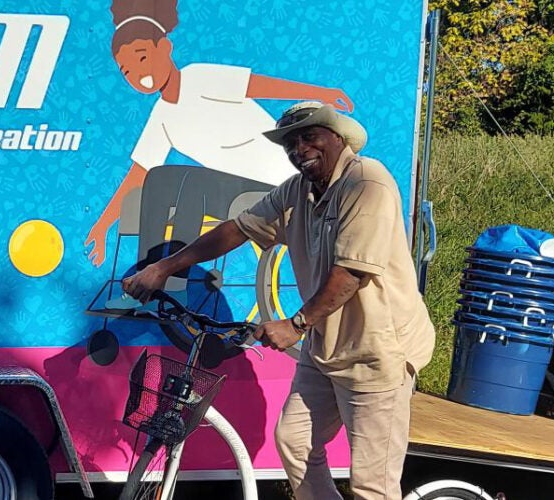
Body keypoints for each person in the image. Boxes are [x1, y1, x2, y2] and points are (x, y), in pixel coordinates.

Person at [121, 101, 435, 499]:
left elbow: (351, 274)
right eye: (290, 143)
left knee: (372, 485)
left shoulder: (366, 183)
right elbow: (238, 229)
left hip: (377, 353)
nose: (299, 148)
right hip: (326, 347)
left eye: (309, 136)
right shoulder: (297, 191)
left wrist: (295, 324)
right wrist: (164, 267)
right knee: (295, 441)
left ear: (337, 137)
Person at [85, 0, 354, 300]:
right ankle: (151, 282)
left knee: (190, 185)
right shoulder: (162, 115)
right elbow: (139, 173)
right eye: (127, 71)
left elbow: (259, 85)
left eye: (143, 58)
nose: (139, 74)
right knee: (159, 180)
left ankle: (169, 286)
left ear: (165, 48)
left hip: (279, 187)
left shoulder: (199, 77)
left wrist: (321, 93)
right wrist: (102, 226)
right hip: (234, 193)